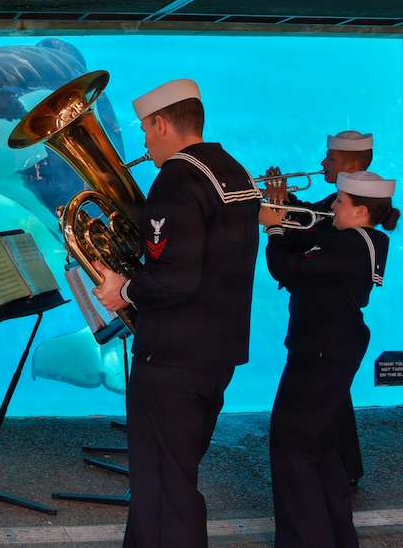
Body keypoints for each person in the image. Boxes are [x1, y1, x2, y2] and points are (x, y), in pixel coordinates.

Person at [91, 79, 262, 548]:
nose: (144, 142)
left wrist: (122, 288)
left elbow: (176, 279)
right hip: (218, 355)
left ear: (161, 123)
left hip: (171, 360)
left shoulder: (177, 178)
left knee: (166, 492)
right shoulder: (235, 172)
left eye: (146, 130)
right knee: (168, 482)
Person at [260, 170, 397, 548]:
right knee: (320, 450)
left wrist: (272, 229)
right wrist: (284, 204)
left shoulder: (352, 244)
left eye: (339, 202)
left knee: (292, 448)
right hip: (327, 351)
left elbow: (287, 267)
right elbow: (308, 237)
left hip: (320, 354)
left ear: (359, 211)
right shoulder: (352, 238)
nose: (331, 206)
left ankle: (305, 540)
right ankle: (337, 537)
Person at [262, 129, 374, 486]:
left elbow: (299, 251)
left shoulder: (349, 221)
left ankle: (329, 479)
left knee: (302, 422)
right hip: (322, 329)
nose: (322, 162)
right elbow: (310, 221)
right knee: (333, 401)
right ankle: (345, 471)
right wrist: (283, 204)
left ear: (352, 165)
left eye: (331, 158)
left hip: (325, 334)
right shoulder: (335, 205)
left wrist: (276, 225)